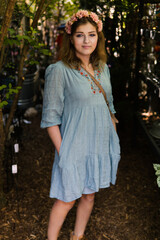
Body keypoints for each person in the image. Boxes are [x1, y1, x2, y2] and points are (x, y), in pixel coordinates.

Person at [41, 9, 120, 240]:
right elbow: (50, 119)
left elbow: (110, 108)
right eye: (80, 35)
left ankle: (78, 236)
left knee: (89, 196)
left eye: (92, 34)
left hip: (97, 146)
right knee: (67, 198)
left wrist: (111, 142)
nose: (87, 41)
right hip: (72, 147)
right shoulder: (58, 71)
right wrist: (63, 152)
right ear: (71, 38)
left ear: (99, 37)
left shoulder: (103, 68)